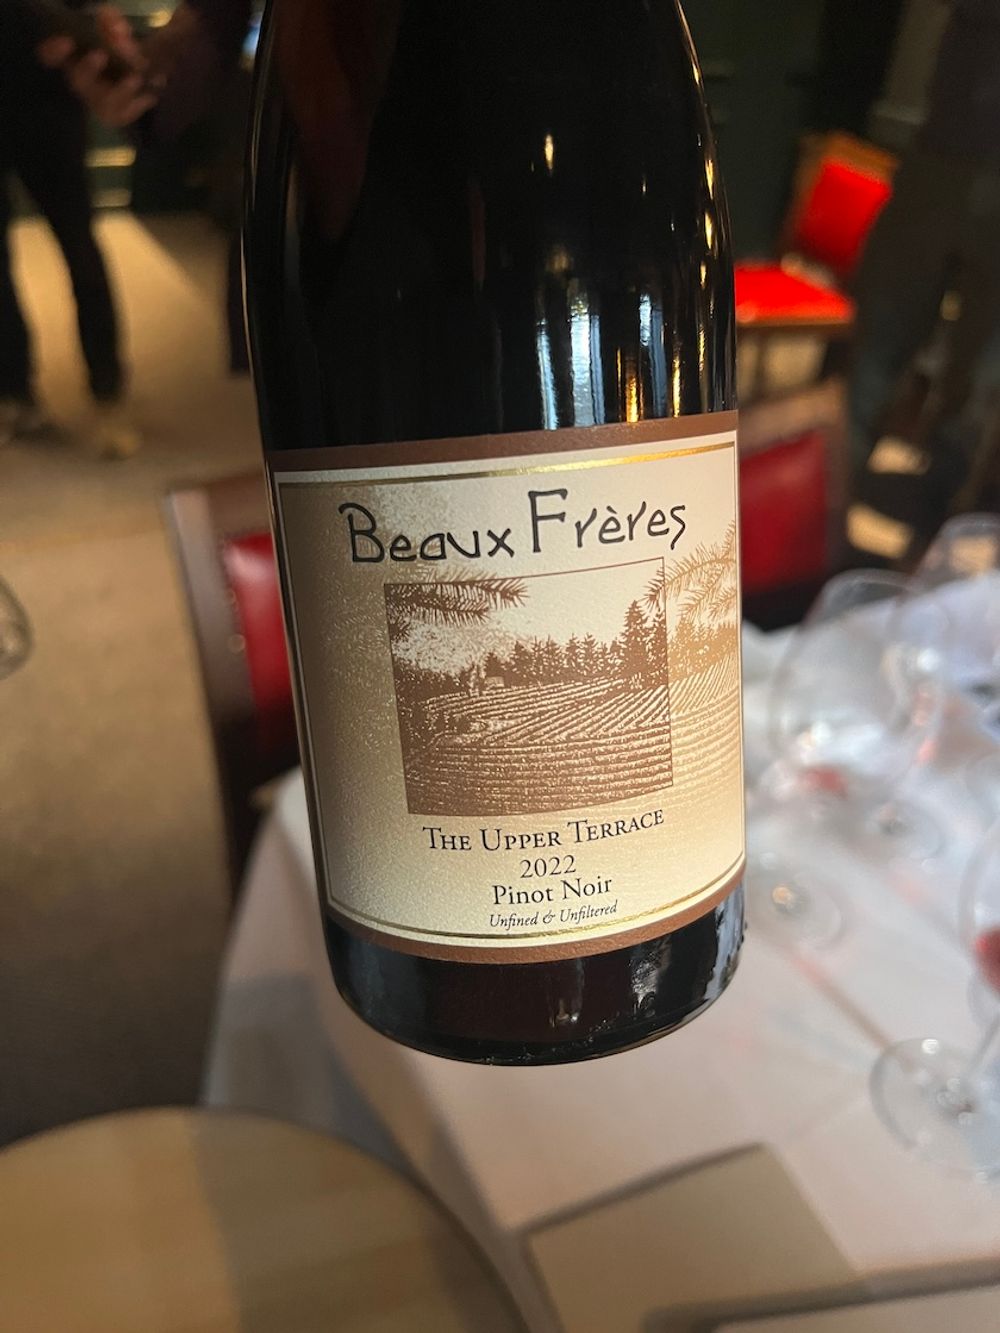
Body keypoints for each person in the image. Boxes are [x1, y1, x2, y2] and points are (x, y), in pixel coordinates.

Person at [848, 0, 1000, 526]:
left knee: (976, 380)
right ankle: (826, 507)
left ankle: (929, 534)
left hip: (944, 159)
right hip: (940, 158)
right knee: (880, 352)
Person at [0, 1, 147, 457]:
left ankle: (107, 391)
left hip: (48, 102)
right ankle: (14, 391)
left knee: (80, 249)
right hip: (40, 89)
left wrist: (79, 32)